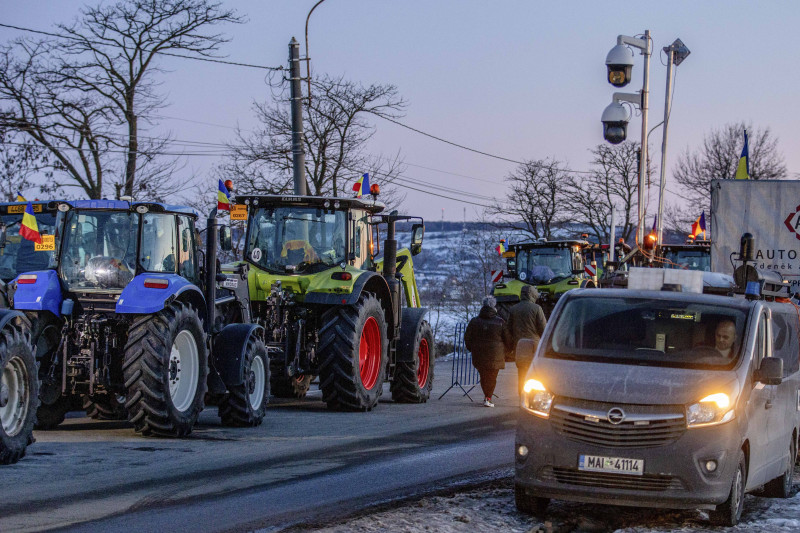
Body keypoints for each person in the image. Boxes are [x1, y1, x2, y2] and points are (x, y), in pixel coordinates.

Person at [464, 296, 508, 407]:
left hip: (479, 355)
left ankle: (487, 397)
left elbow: (467, 338)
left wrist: (472, 349)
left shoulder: (474, 321)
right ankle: (488, 398)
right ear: (494, 307)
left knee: (483, 376)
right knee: (492, 377)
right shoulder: (500, 322)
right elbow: (508, 339)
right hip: (496, 355)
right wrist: (505, 352)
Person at [505, 285, 547, 394]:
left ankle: (521, 398)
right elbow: (543, 329)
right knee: (535, 374)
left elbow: (508, 329)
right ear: (533, 295)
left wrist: (511, 346)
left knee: (521, 374)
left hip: (519, 347)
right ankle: (532, 398)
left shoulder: (513, 309)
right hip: (534, 347)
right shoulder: (537, 308)